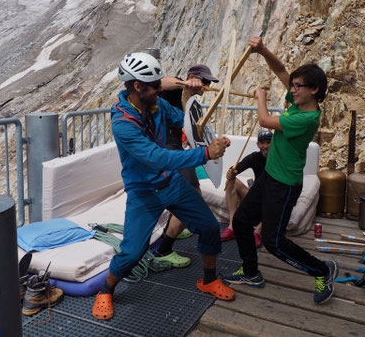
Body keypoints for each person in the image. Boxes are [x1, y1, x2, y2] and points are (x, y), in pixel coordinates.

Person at [92, 53, 235, 320]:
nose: (159, 89)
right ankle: (106, 290)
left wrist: (189, 92)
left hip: (170, 183)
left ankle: (208, 279)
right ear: (138, 87)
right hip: (143, 192)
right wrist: (206, 155)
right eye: (155, 85)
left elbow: (184, 119)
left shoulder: (155, 104)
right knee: (133, 253)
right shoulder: (123, 123)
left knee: (207, 227)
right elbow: (158, 158)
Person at [222, 37, 338, 305]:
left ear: (314, 90)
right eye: (293, 86)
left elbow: (265, 120)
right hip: (269, 178)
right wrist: (263, 50)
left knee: (273, 242)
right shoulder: (300, 102)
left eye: (298, 86)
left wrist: (261, 97)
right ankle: (251, 272)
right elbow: (281, 71)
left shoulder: (305, 118)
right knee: (240, 222)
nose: (292, 89)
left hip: (284, 185)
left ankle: (322, 270)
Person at [151, 65, 219, 268]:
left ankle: (177, 227)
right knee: (192, 198)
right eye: (203, 82)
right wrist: (186, 83)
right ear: (192, 78)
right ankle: (164, 250)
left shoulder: (190, 100)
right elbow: (162, 82)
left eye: (208, 83)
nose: (205, 87)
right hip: (168, 149)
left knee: (188, 194)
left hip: (176, 147)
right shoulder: (177, 87)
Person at [220, 130, 273, 248]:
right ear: (258, 145)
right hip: (255, 198)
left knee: (276, 197)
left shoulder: (279, 159)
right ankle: (232, 227)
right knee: (231, 181)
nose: (265, 146)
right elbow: (238, 167)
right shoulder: (255, 157)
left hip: (271, 200)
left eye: (268, 142)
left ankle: (257, 232)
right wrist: (231, 172)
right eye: (262, 143)